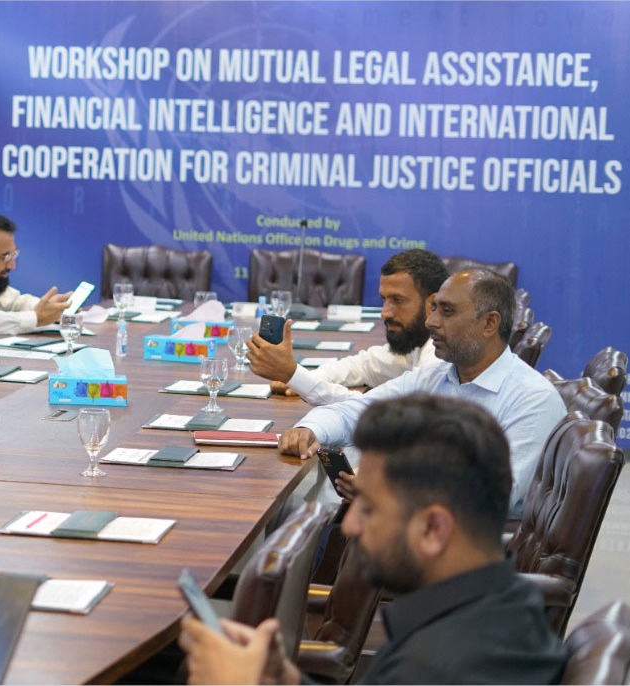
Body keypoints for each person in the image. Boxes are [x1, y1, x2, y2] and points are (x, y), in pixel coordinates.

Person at [181, 395, 566, 685]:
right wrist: (287, 679)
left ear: (434, 529)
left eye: (368, 509)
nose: (349, 528)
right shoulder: (501, 606)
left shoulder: (435, 668)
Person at [278, 269, 567, 517]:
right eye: (434, 308)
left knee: (301, 519)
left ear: (489, 323)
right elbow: (358, 411)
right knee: (300, 513)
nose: (430, 322)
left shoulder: (533, 399)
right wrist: (310, 429)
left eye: (447, 311)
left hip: (464, 557)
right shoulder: (435, 377)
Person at [247, 249, 449, 405]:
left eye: (398, 300)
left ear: (432, 303)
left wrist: (294, 375)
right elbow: (365, 365)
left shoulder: (441, 357)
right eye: (384, 300)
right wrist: (304, 377)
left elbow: (374, 410)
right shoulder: (421, 341)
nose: (385, 313)